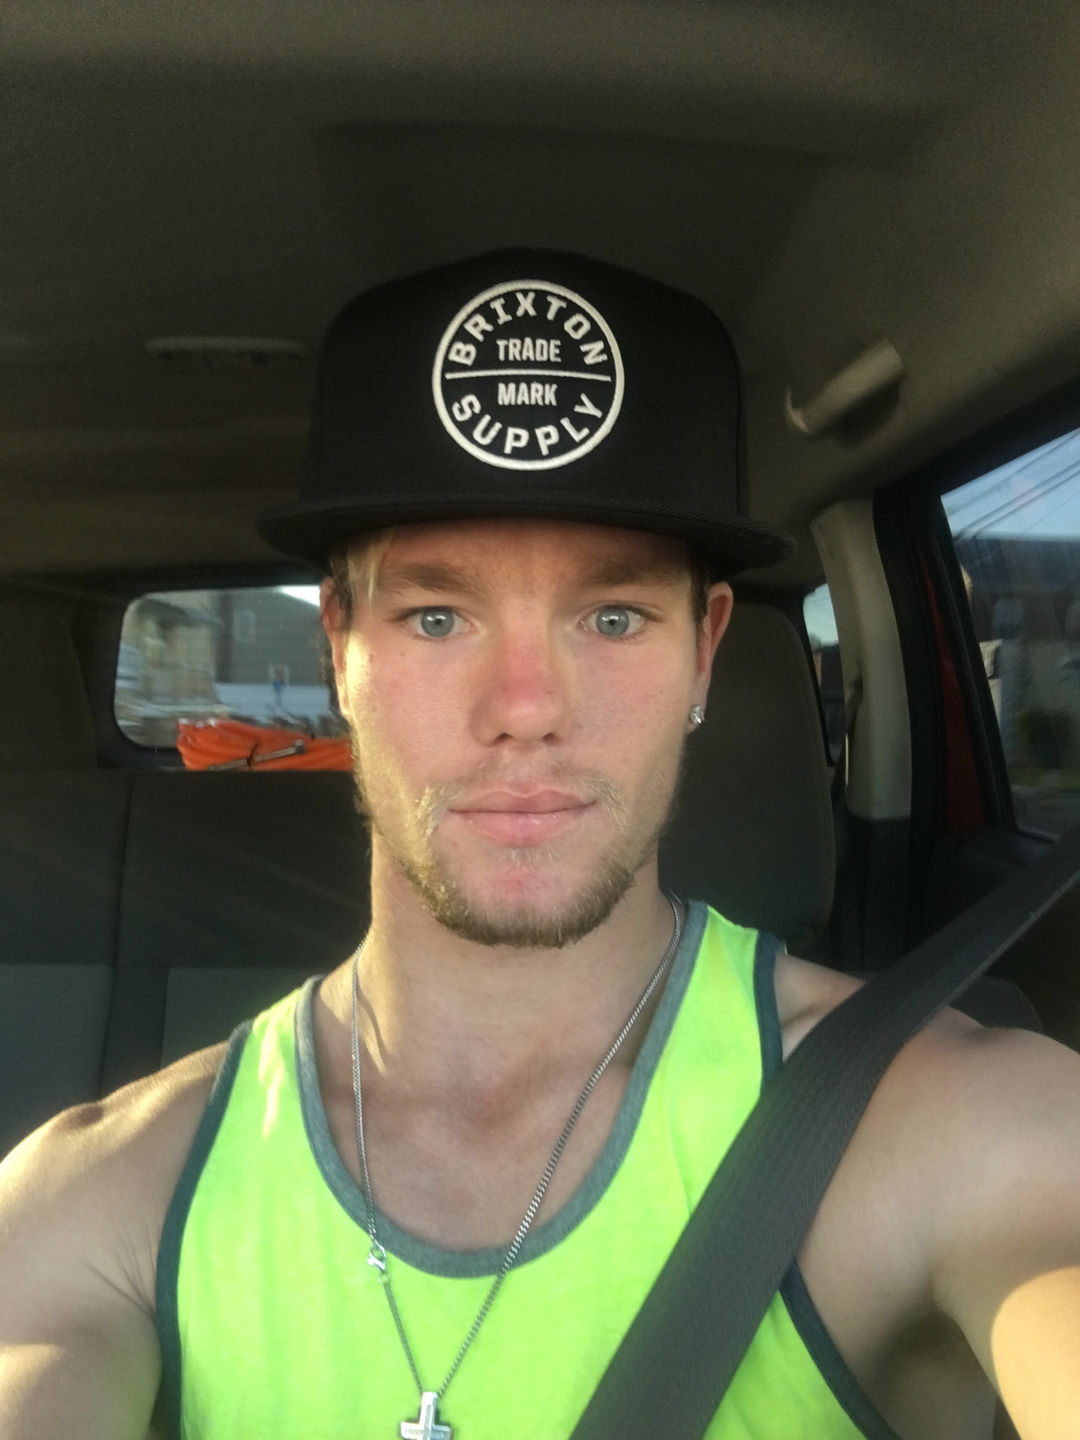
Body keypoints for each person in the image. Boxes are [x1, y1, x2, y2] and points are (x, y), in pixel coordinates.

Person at [1, 249, 1078, 1440]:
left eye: (612, 616)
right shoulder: (107, 1199)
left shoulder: (944, 1125)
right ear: (337, 649)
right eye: (437, 616)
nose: (526, 706)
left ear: (704, 652)